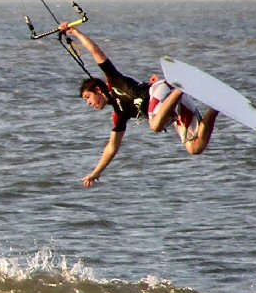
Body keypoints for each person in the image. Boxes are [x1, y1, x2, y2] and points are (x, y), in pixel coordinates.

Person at [60, 23, 219, 188]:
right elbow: (112, 147)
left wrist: (75, 33)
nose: (89, 103)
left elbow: (95, 51)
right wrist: (96, 173)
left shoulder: (114, 81)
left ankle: (182, 86)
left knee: (155, 125)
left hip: (160, 91)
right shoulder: (119, 114)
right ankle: (215, 107)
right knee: (195, 148)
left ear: (98, 90)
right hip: (173, 108)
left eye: (88, 97)